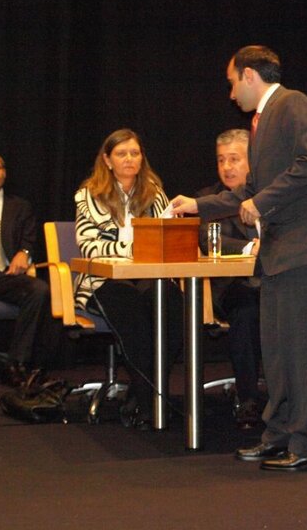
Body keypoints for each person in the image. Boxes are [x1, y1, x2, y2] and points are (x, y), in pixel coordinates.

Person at [171, 45, 307, 472]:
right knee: (278, 351)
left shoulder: (294, 104)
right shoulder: (262, 122)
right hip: (281, 253)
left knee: (300, 351)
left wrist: (261, 203)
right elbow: (248, 192)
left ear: (250, 75)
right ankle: (280, 434)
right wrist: (198, 206)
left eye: (232, 83)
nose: (231, 93)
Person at [74, 128, 183, 430]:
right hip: (103, 280)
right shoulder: (88, 195)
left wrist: (132, 245)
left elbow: (166, 238)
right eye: (121, 154)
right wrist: (133, 247)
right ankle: (150, 405)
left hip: (149, 275)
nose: (129, 159)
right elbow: (89, 246)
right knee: (133, 311)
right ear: (107, 160)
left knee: (173, 304)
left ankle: (141, 393)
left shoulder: (155, 193)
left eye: (135, 153)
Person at [195, 128, 262, 429]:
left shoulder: (271, 194)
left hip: (273, 283)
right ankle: (247, 399)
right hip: (230, 287)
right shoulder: (207, 199)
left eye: (234, 159)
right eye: (221, 160)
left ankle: (301, 402)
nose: (226, 167)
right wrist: (250, 248)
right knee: (247, 310)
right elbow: (208, 239)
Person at [0, 151, 53, 386]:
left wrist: (25, 253)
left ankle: (16, 363)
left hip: (2, 275)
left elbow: (30, 240)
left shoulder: (19, 206)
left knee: (38, 289)